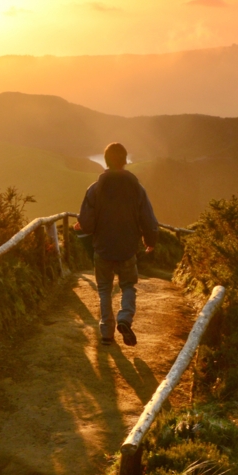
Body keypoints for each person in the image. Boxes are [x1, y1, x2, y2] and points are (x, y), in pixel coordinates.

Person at [74, 142, 158, 347]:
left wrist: (81, 227)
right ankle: (125, 319)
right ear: (125, 160)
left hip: (102, 249)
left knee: (104, 290)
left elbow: (87, 222)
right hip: (128, 249)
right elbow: (148, 219)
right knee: (128, 285)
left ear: (106, 161)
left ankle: (106, 334)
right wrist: (150, 241)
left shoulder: (95, 189)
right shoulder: (137, 188)